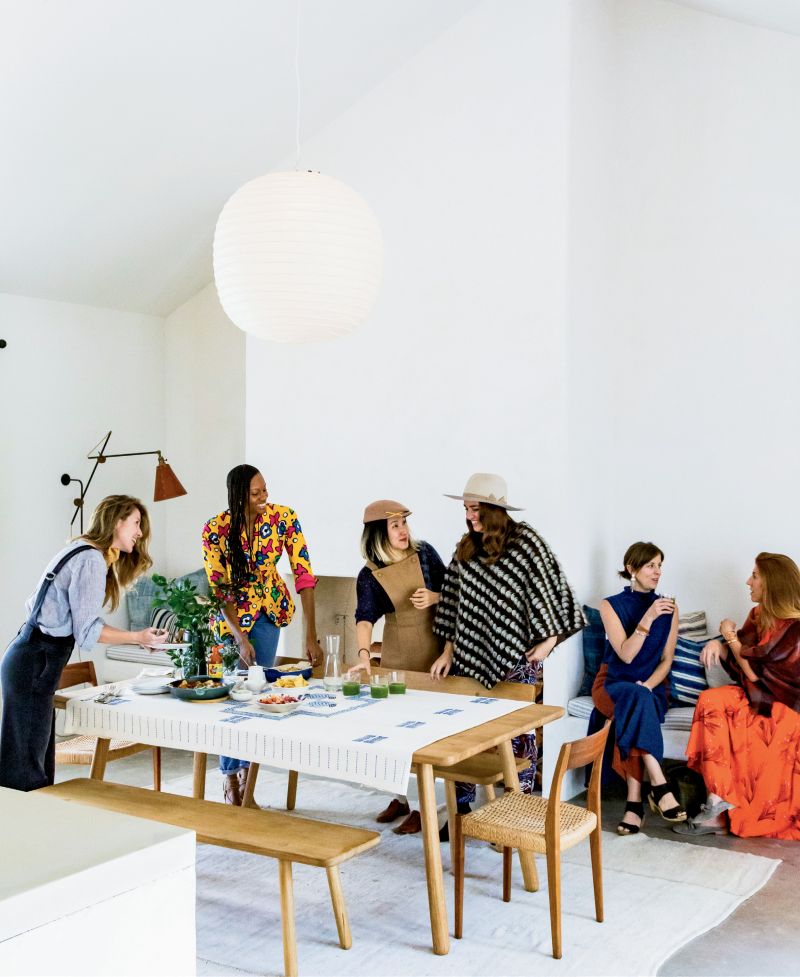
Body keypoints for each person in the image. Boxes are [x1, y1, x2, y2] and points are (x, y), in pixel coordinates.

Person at [430, 472, 584, 812]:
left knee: (519, 734)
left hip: (517, 659)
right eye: (467, 509)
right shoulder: (467, 546)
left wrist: (547, 644)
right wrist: (447, 650)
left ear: (494, 509)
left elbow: (559, 595)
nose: (470, 516)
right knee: (464, 732)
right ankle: (461, 810)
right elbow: (454, 601)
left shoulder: (526, 543)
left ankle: (519, 807)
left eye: (476, 509)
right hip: (468, 657)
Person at [0, 496, 164, 792]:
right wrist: (138, 637)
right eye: (136, 523)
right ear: (117, 522)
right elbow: (88, 630)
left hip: (28, 657)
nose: (140, 532)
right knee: (26, 769)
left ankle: (26, 830)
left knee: (29, 761)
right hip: (36, 661)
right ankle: (21, 832)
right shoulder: (90, 559)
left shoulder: (81, 549)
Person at [202, 464, 322, 804]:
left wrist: (309, 634)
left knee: (259, 696)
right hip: (231, 621)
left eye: (265, 490)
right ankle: (230, 778)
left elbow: (304, 574)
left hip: (269, 612)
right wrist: (239, 637)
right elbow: (219, 587)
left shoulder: (284, 518)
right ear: (239, 496)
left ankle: (246, 781)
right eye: (256, 493)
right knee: (234, 696)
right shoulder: (216, 529)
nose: (264, 498)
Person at [674, 552, 800, 838]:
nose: (748, 581)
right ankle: (716, 803)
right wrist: (722, 645)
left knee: (758, 729)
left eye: (754, 576)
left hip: (785, 707)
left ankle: (739, 813)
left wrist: (728, 638)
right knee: (711, 700)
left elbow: (757, 673)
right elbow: (744, 658)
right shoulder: (758, 616)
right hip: (758, 699)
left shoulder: (795, 629)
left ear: (772, 583)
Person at [351, 499, 445, 834]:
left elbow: (455, 591)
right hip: (397, 656)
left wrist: (433, 598)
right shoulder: (370, 574)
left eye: (404, 523)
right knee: (393, 733)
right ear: (379, 533)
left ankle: (424, 808)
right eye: (395, 526)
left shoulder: (426, 553)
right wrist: (364, 656)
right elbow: (364, 617)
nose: (404, 531)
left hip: (434, 652)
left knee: (426, 736)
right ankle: (400, 799)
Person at [591, 541, 686, 834]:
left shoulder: (670, 607)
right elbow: (626, 654)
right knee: (634, 698)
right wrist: (648, 617)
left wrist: (648, 685)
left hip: (652, 684)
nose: (657, 572)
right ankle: (658, 784)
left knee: (638, 699)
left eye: (660, 565)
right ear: (631, 569)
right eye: (650, 565)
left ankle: (635, 805)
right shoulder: (610, 605)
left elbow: (667, 660)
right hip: (613, 682)